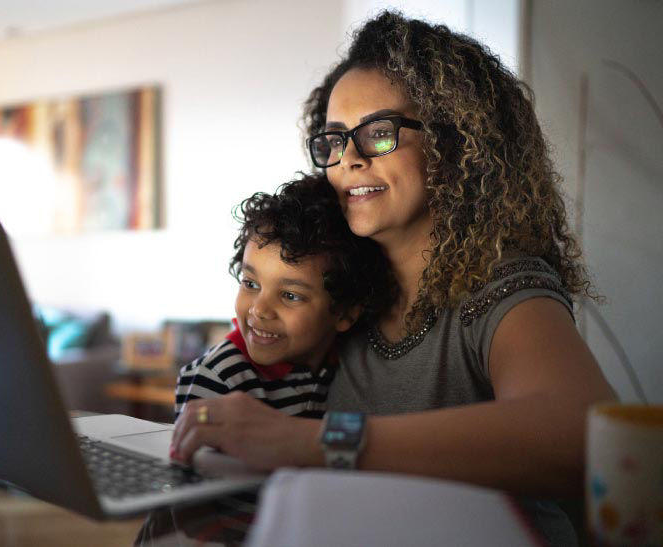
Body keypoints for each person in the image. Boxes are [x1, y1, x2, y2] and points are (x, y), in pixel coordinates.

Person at [171, 10, 615, 545]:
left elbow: (582, 434)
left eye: (379, 133)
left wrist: (314, 442)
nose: (349, 159)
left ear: (454, 143)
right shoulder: (344, 291)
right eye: (334, 139)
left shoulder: (503, 288)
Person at [174, 173, 393, 420]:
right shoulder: (218, 378)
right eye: (250, 283)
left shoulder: (348, 364)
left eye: (290, 295)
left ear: (345, 313)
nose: (259, 309)